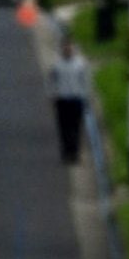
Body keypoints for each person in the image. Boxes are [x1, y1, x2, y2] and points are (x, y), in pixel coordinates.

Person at [49, 36, 91, 165]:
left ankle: (74, 152)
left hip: (76, 99)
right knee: (64, 128)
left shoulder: (80, 64)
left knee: (75, 127)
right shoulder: (57, 65)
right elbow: (52, 82)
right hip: (62, 100)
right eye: (65, 48)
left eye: (69, 47)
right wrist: (52, 96)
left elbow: (85, 82)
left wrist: (86, 97)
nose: (67, 50)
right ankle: (66, 152)